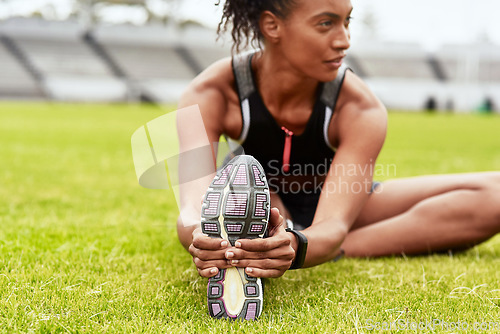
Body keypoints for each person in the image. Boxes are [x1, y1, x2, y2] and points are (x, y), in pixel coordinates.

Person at [175, 0, 500, 316]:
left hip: (336, 200)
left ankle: (322, 245)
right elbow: (192, 207)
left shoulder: (360, 106)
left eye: (347, 21)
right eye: (326, 23)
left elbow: (334, 221)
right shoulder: (209, 93)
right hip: (259, 202)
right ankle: (269, 235)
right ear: (272, 26)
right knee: (251, 183)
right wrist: (202, 237)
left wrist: (300, 245)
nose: (344, 40)